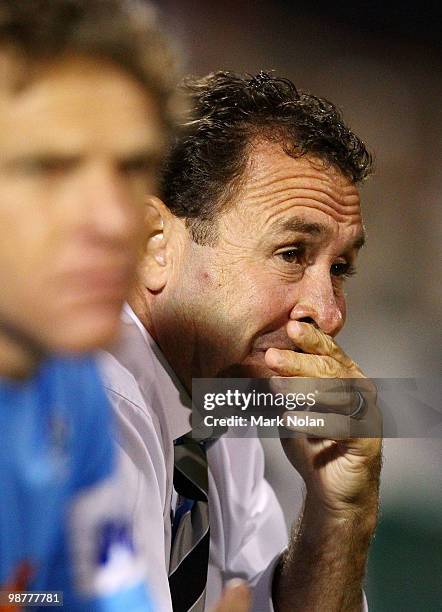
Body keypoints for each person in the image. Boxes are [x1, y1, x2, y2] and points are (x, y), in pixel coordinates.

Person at [100, 71, 382, 611]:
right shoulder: (90, 400)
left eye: (340, 267)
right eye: (292, 253)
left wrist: (341, 515)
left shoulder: (221, 422)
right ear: (154, 245)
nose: (328, 313)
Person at [0, 0, 176, 608]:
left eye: (131, 167)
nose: (113, 218)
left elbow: (109, 590)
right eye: (48, 167)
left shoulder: (74, 386)